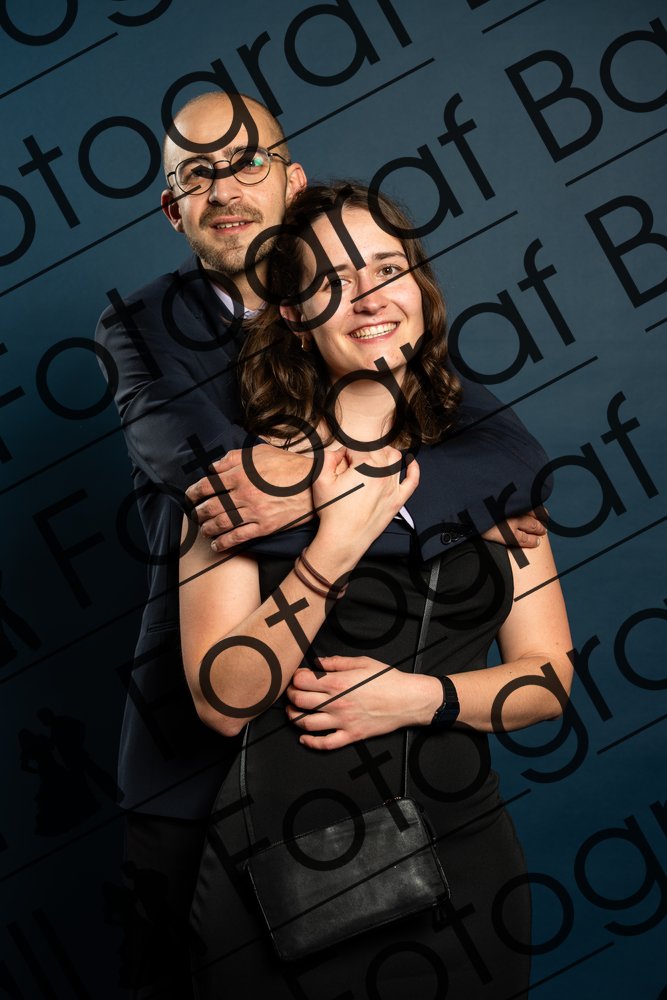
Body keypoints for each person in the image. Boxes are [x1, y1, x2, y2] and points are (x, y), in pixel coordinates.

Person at [96, 93, 549, 998]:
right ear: (172, 208)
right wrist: (330, 486)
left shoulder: (377, 332)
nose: (227, 190)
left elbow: (515, 463)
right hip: (197, 750)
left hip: (379, 766)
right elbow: (219, 485)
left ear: (290, 179)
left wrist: (372, 466)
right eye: (198, 175)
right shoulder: (142, 328)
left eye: (247, 163)